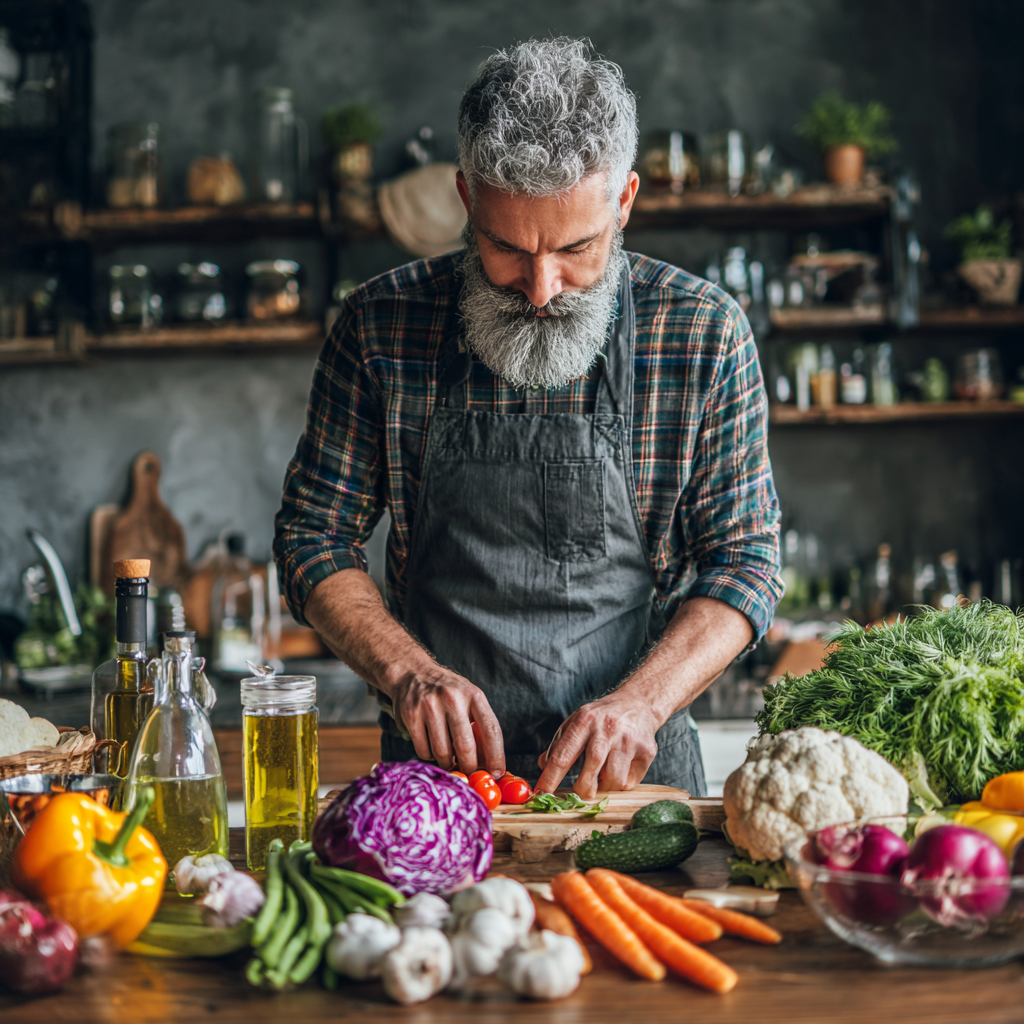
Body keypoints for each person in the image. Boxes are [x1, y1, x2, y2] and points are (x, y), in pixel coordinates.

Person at [274, 38, 783, 799]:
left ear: (626, 201)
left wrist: (640, 703)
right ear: (465, 199)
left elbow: (745, 561)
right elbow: (312, 533)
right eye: (506, 248)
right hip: (436, 789)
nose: (541, 289)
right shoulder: (381, 326)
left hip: (629, 791)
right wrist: (406, 672)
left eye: (576, 248)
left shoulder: (703, 333)